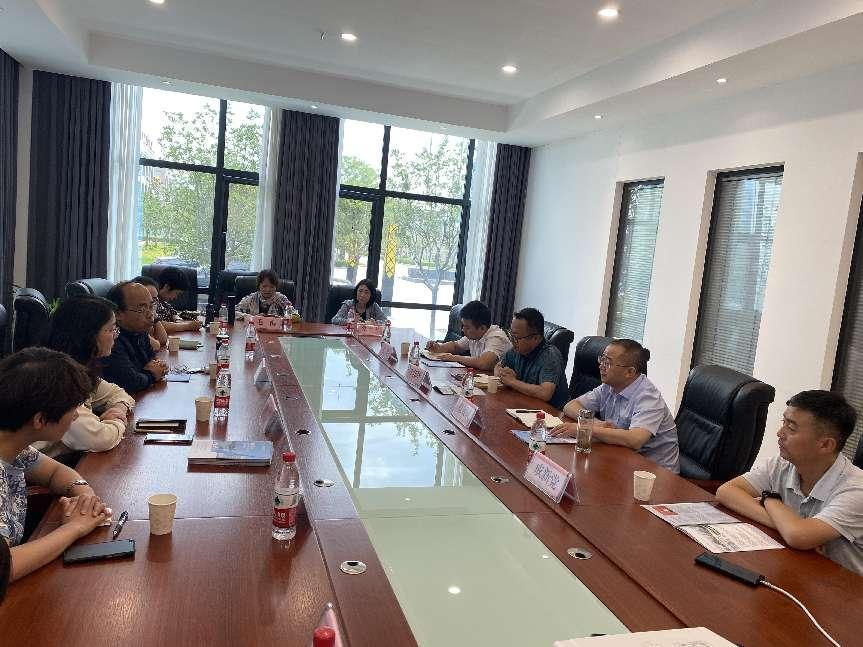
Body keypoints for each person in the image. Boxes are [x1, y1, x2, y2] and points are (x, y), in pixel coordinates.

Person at [716, 390, 863, 575]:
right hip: (800, 569)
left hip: (844, 586)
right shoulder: (783, 464)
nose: (780, 433)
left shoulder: (856, 490)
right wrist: (783, 524)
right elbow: (726, 491)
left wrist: (769, 499)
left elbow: (798, 536)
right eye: (783, 422)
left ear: (826, 445)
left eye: (791, 428)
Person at [0, 348, 111, 582]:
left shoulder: (14, 444)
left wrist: (84, 497)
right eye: (72, 409)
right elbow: (4, 568)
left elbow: (54, 472)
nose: (76, 416)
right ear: (40, 420)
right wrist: (74, 528)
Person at [551, 339, 680, 473]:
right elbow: (570, 406)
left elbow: (635, 439)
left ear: (629, 372)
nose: (601, 366)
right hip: (622, 457)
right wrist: (596, 423)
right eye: (602, 359)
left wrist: (586, 428)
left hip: (656, 472)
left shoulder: (648, 397)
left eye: (608, 363)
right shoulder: (609, 386)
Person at [36, 297, 135, 459]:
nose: (116, 335)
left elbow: (117, 392)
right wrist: (116, 421)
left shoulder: (79, 368)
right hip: (30, 470)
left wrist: (117, 410)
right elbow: (101, 439)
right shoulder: (56, 378)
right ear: (88, 334)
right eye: (111, 329)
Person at [494, 308, 569, 409]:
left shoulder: (550, 355)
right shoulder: (517, 349)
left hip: (550, 413)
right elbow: (498, 366)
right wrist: (502, 374)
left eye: (516, 338)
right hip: (523, 404)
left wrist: (512, 382)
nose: (512, 341)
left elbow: (545, 393)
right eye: (511, 334)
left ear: (536, 338)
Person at [103, 281, 168, 393]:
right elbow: (130, 382)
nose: (150, 315)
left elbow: (151, 359)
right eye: (142, 309)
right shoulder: (111, 339)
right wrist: (152, 374)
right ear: (118, 314)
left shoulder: (139, 331)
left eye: (151, 306)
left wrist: (159, 366)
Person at [425, 300, 511, 371]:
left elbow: (484, 363)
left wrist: (454, 358)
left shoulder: (496, 337)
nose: (463, 330)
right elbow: (455, 346)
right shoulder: (474, 334)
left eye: (467, 327)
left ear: (482, 328)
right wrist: (438, 347)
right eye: (463, 325)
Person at [153, 267, 201, 333]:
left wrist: (177, 319)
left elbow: (174, 313)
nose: (176, 297)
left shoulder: (163, 302)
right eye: (177, 293)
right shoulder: (152, 301)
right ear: (167, 287)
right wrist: (187, 326)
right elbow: (158, 324)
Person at [132, 276, 169, 351]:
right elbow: (156, 345)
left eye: (154, 300)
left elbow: (163, 340)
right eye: (145, 300)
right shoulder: (132, 321)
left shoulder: (149, 316)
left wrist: (155, 316)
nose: (151, 305)